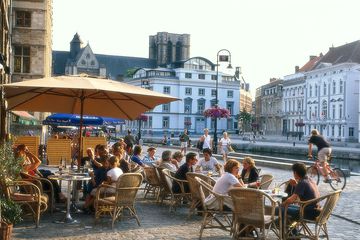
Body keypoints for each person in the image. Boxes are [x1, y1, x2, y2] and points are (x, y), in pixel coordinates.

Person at [279, 162, 320, 233]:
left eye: (293, 172)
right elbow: (305, 190)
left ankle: (291, 234)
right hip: (316, 210)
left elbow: (290, 200)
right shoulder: (309, 180)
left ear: (295, 173)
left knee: (281, 210)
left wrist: (281, 205)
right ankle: (292, 231)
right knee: (287, 208)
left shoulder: (302, 183)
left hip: (308, 212)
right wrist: (296, 185)